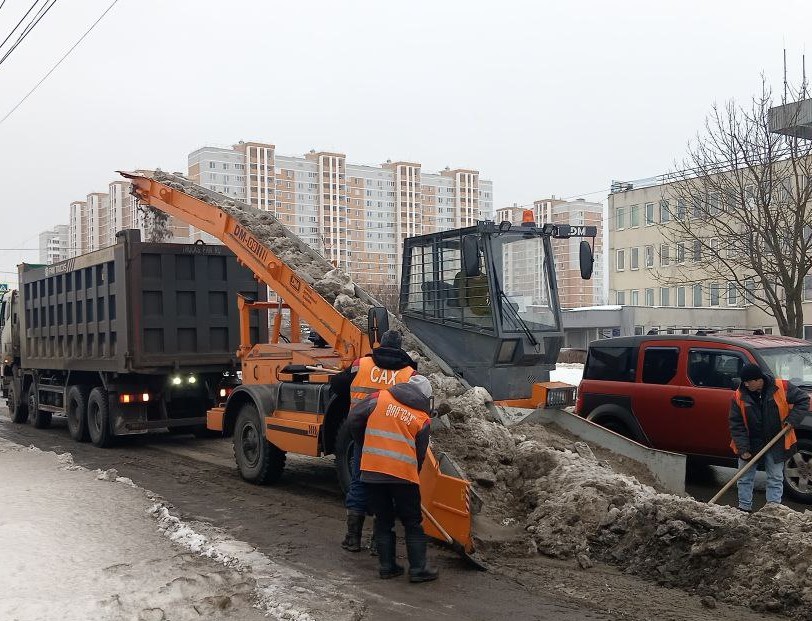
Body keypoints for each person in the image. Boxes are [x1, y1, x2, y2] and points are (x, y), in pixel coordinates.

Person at [329, 329, 416, 552]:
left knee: (359, 481)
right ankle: (379, 542)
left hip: (362, 434)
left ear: (380, 344)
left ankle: (353, 538)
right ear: (399, 347)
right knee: (386, 489)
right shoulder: (409, 373)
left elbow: (338, 385)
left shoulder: (362, 365)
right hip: (394, 437)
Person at [348, 374, 438, 583]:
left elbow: (353, 418)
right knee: (412, 522)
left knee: (383, 520)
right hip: (403, 475)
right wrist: (413, 472)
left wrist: (363, 443)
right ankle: (418, 569)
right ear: (425, 397)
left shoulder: (379, 398)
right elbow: (420, 453)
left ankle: (387, 566)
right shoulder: (422, 417)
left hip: (371, 472)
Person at [728, 363, 809, 512]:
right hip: (750, 441)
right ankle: (744, 509)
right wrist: (743, 448)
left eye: (748, 382)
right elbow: (736, 424)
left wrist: (792, 420)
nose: (745, 385)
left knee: (775, 478)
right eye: (744, 382)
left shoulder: (781, 387)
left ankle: (772, 510)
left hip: (776, 440)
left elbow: (803, 400)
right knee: (744, 478)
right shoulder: (739, 395)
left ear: (758, 380)